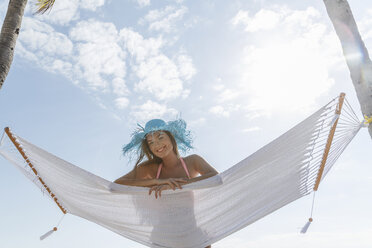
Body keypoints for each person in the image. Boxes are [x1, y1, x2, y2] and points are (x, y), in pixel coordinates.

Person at [114, 118, 218, 248]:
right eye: (151, 142)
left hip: (192, 236)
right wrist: (156, 181)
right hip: (162, 239)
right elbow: (116, 185)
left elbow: (216, 178)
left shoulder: (192, 162)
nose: (156, 145)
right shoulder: (151, 168)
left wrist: (177, 185)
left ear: (171, 137)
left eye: (160, 138)